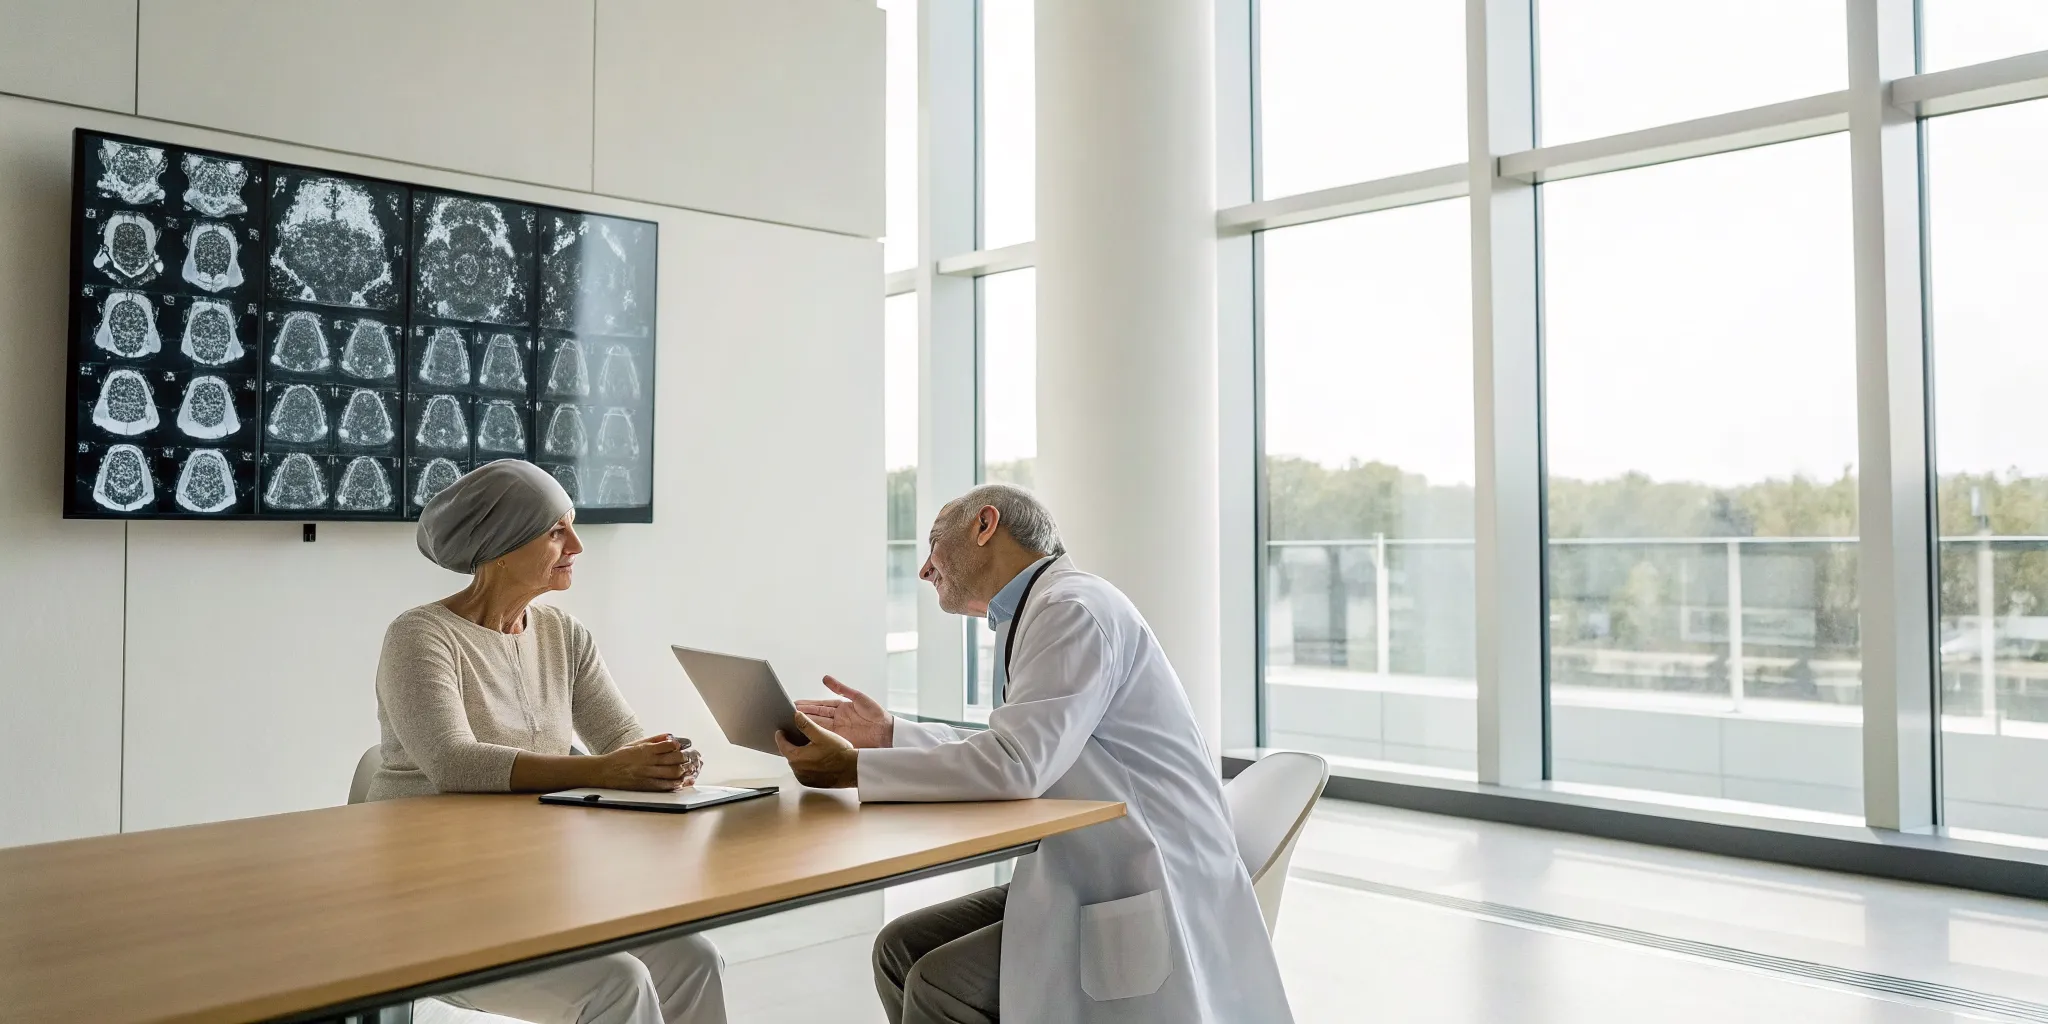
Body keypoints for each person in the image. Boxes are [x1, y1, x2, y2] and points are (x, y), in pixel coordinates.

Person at [778, 483, 1292, 1024]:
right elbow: (1013, 749)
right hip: (1088, 866)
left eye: (933, 545)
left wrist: (855, 769)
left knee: (936, 983)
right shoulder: (1040, 611)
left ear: (985, 526)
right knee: (898, 948)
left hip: (1136, 875)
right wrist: (888, 735)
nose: (925, 570)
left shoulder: (1070, 609)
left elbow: (1015, 765)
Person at [368, 459, 728, 1024]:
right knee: (619, 984)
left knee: (695, 957)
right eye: (557, 530)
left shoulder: (563, 633)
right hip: (432, 897)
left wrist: (664, 758)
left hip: (534, 884)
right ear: (501, 546)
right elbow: (453, 762)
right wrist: (604, 771)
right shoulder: (420, 636)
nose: (578, 545)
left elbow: (621, 737)